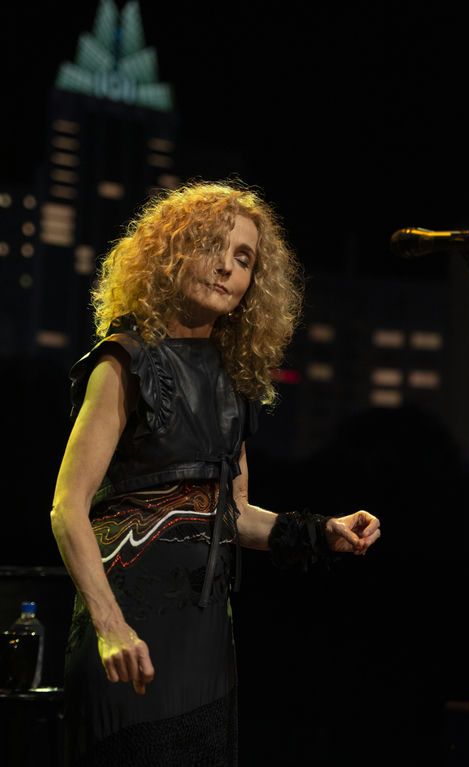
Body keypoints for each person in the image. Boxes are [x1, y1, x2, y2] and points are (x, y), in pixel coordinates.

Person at [50, 178, 381, 766]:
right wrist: (110, 627)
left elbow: (233, 516)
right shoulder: (125, 360)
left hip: (204, 642)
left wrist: (321, 531)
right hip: (128, 635)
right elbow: (67, 508)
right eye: (212, 246)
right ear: (171, 253)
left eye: (244, 258)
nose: (227, 267)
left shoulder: (234, 384)